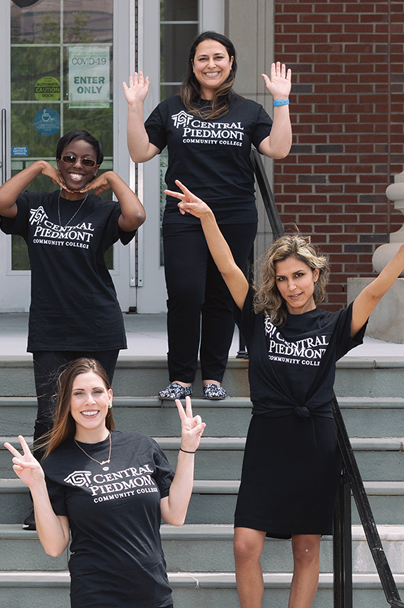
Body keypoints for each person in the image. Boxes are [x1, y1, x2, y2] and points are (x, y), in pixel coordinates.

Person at [166, 181, 404, 608]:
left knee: (306, 547)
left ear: (315, 274)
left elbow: (374, 293)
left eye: (298, 275)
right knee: (245, 544)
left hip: (315, 443)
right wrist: (207, 219)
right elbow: (226, 269)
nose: (291, 285)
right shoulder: (259, 321)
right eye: (282, 278)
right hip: (268, 439)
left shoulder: (334, 325)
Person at [122, 31, 292, 401]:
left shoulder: (249, 111)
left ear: (230, 62)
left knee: (221, 295)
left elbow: (277, 149)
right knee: (185, 293)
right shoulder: (171, 109)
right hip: (185, 213)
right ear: (193, 65)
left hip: (234, 215)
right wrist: (135, 108)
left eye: (219, 57)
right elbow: (139, 152)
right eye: (203, 58)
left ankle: (212, 377)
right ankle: (181, 378)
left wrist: (281, 101)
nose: (211, 64)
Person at [0, 130, 145, 504]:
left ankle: (96, 495)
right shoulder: (36, 204)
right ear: (59, 161)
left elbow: (136, 214)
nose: (77, 166)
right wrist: (38, 167)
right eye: (69, 158)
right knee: (48, 416)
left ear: (96, 167)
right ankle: (47, 500)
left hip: (97, 326)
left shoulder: (104, 211)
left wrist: (111, 180)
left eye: (88, 161)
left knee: (95, 414)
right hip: (50, 327)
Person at [8, 358, 205, 608]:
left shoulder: (142, 446)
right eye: (78, 394)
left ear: (109, 397)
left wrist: (188, 450)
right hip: (98, 601)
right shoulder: (56, 463)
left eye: (97, 392)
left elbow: (176, 513)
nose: (89, 401)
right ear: (67, 403)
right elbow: (55, 546)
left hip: (154, 594)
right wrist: (37, 486)